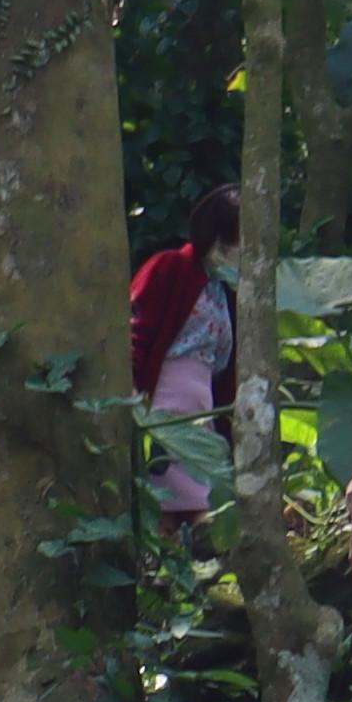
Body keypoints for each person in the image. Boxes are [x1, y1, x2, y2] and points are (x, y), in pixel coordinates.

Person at [127, 187, 238, 522]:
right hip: (164, 406)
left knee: (203, 505)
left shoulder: (225, 290)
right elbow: (137, 328)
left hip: (203, 413)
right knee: (165, 501)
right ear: (220, 238)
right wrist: (132, 392)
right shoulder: (170, 267)